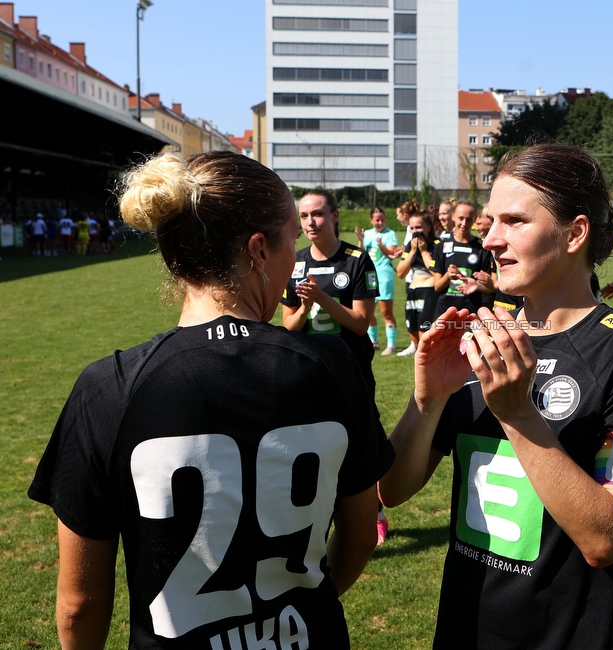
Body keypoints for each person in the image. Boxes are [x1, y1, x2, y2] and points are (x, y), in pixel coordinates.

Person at [28, 151, 390, 649]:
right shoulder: (332, 366)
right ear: (258, 250)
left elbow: (79, 603)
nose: (298, 252)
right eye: (292, 235)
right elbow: (360, 534)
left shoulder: (108, 385)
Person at [378, 144, 613, 649]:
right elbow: (392, 490)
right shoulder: (484, 337)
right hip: (467, 626)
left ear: (575, 233)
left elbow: (607, 539)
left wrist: (519, 413)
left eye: (515, 221)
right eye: (491, 221)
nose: (491, 238)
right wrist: (427, 402)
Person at [281, 190, 380, 403]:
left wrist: (320, 297)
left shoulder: (357, 260)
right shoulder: (294, 262)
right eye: (304, 216)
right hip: (310, 366)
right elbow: (288, 327)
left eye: (317, 214)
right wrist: (305, 308)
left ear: (334, 216)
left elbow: (361, 324)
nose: (310, 222)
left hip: (351, 365)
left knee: (358, 433)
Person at [430, 200, 495, 319]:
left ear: (474, 219)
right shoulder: (441, 246)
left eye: (469, 219)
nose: (464, 223)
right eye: (461, 218)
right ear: (453, 216)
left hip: (471, 314)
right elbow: (437, 287)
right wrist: (448, 276)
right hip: (445, 312)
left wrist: (475, 284)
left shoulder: (482, 248)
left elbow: (489, 289)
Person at [357, 207, 400, 356]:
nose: (380, 222)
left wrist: (381, 245)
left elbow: (393, 253)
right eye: (377, 219)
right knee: (367, 312)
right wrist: (361, 240)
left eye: (382, 219)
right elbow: (360, 253)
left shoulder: (390, 234)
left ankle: (391, 345)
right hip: (369, 277)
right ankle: (373, 341)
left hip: (384, 275)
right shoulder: (367, 233)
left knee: (386, 311)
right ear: (371, 220)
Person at [397, 211, 438, 356]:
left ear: (428, 227)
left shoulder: (437, 245)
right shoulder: (410, 245)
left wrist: (424, 251)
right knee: (414, 336)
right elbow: (400, 272)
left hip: (428, 292)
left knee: (425, 339)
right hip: (412, 292)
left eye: (418, 227)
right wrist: (413, 250)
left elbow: (435, 270)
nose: (415, 232)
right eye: (412, 228)